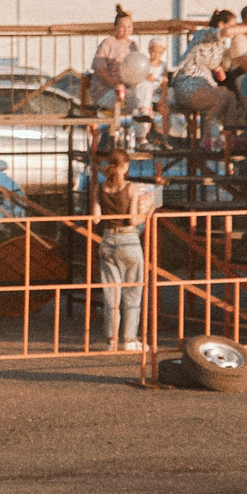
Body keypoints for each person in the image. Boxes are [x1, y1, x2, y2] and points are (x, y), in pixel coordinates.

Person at [87, 148, 158, 351]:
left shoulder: (100, 188)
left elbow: (96, 218)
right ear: (125, 166)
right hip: (129, 241)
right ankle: (129, 339)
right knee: (133, 292)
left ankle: (111, 340)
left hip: (108, 240)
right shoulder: (131, 188)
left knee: (111, 294)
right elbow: (132, 219)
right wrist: (149, 211)